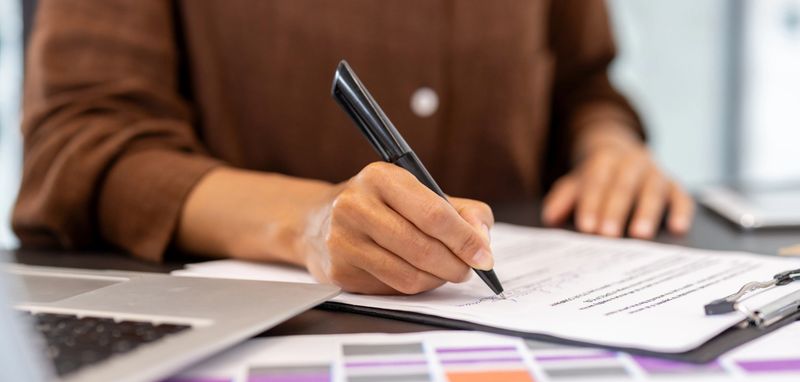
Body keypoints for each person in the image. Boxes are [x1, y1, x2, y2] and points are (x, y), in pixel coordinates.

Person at [13, 0, 694, 295]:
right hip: (263, 336)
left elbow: (583, 84)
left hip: (529, 319)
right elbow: (81, 141)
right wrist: (309, 221)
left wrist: (608, 147)